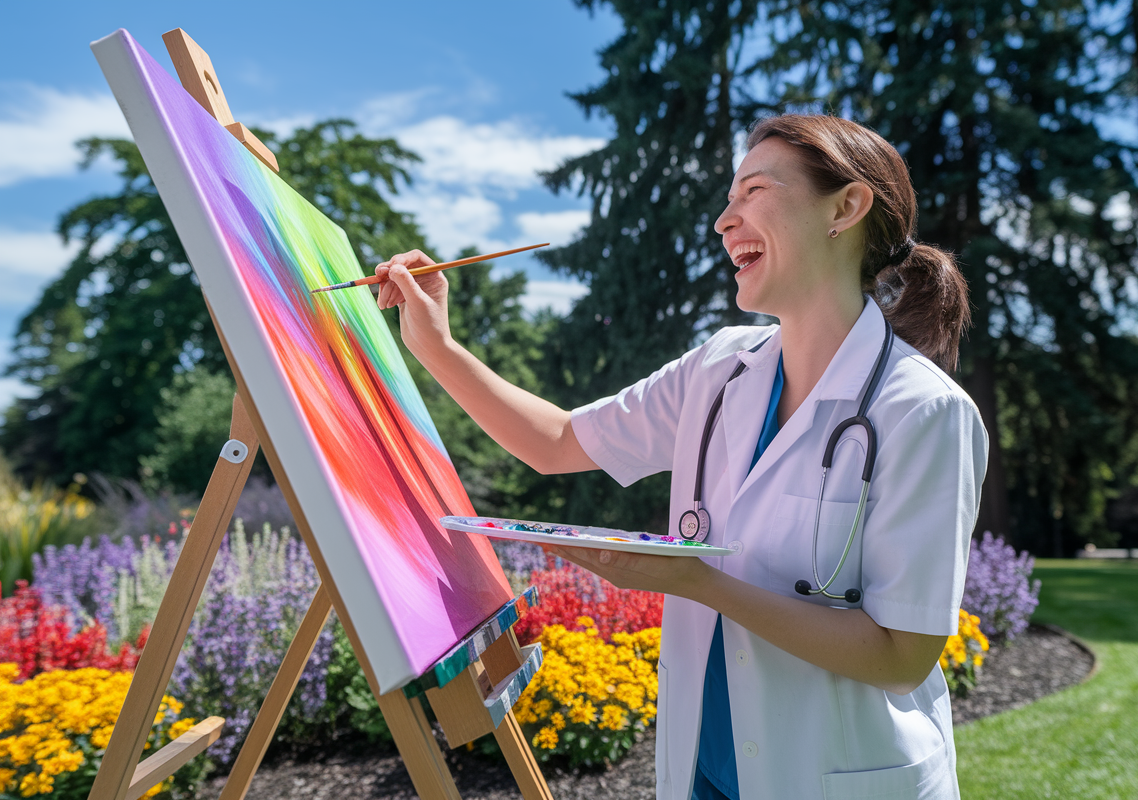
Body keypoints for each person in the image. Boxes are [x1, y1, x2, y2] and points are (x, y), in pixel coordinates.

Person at [375, 113, 988, 800]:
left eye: (753, 191)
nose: (725, 221)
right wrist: (435, 347)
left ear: (845, 207)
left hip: (838, 779)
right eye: (728, 198)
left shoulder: (922, 412)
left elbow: (901, 655)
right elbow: (555, 443)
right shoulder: (719, 369)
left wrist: (699, 583)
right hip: (704, 776)